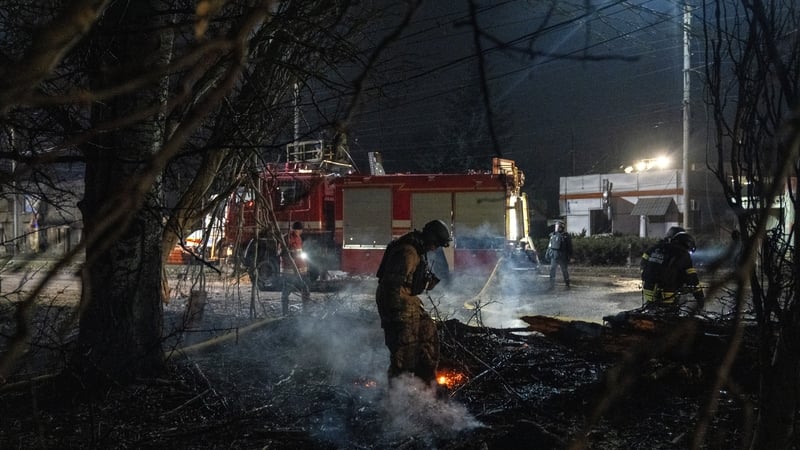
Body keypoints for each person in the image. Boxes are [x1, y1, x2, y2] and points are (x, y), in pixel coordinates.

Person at [375, 219, 452, 386]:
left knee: (428, 335)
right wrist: (398, 321)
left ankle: (425, 384)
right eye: (437, 244)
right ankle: (397, 396)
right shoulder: (408, 252)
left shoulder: (418, 249)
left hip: (407, 301)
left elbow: (409, 282)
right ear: (431, 239)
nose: (436, 248)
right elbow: (391, 285)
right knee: (405, 352)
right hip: (398, 303)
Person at [641, 231, 705, 307]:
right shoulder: (683, 253)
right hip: (667, 295)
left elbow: (643, 262)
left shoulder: (656, 248)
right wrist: (700, 298)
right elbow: (692, 279)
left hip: (648, 292)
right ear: (687, 244)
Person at [281, 221, 311, 315]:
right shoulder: (288, 238)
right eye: (300, 230)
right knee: (286, 292)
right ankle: (285, 313)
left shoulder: (298, 238)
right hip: (291, 271)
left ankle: (305, 311)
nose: (301, 232)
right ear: (297, 229)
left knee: (305, 289)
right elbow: (283, 253)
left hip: (300, 270)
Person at [546, 221, 573, 290]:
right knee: (552, 270)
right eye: (556, 226)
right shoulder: (553, 235)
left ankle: (567, 284)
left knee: (564, 270)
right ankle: (551, 285)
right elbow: (550, 245)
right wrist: (547, 254)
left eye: (557, 226)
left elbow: (569, 247)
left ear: (561, 227)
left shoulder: (566, 236)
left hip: (562, 256)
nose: (556, 227)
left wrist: (571, 256)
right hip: (554, 256)